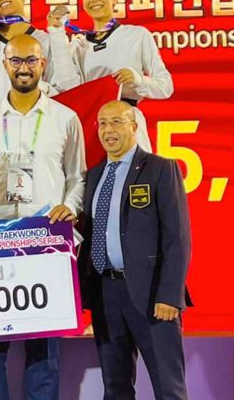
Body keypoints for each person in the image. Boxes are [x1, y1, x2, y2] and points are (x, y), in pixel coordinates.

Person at [0, 34, 86, 400]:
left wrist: (71, 207)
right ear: (5, 65)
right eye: (16, 61)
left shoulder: (65, 118)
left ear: (43, 64)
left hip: (47, 237)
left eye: (31, 61)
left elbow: (77, 176)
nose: (24, 68)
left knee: (44, 345)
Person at [81, 100, 191, 400]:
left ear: (134, 126)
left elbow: (177, 238)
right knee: (115, 388)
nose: (108, 130)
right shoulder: (93, 176)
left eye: (116, 121)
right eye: (102, 123)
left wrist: (170, 295)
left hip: (152, 295)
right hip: (106, 296)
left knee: (169, 388)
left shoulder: (160, 169)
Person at [66, 0, 174, 151]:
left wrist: (138, 80)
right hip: (93, 127)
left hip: (128, 120)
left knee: (135, 178)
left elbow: (166, 87)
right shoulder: (78, 46)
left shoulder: (137, 35)